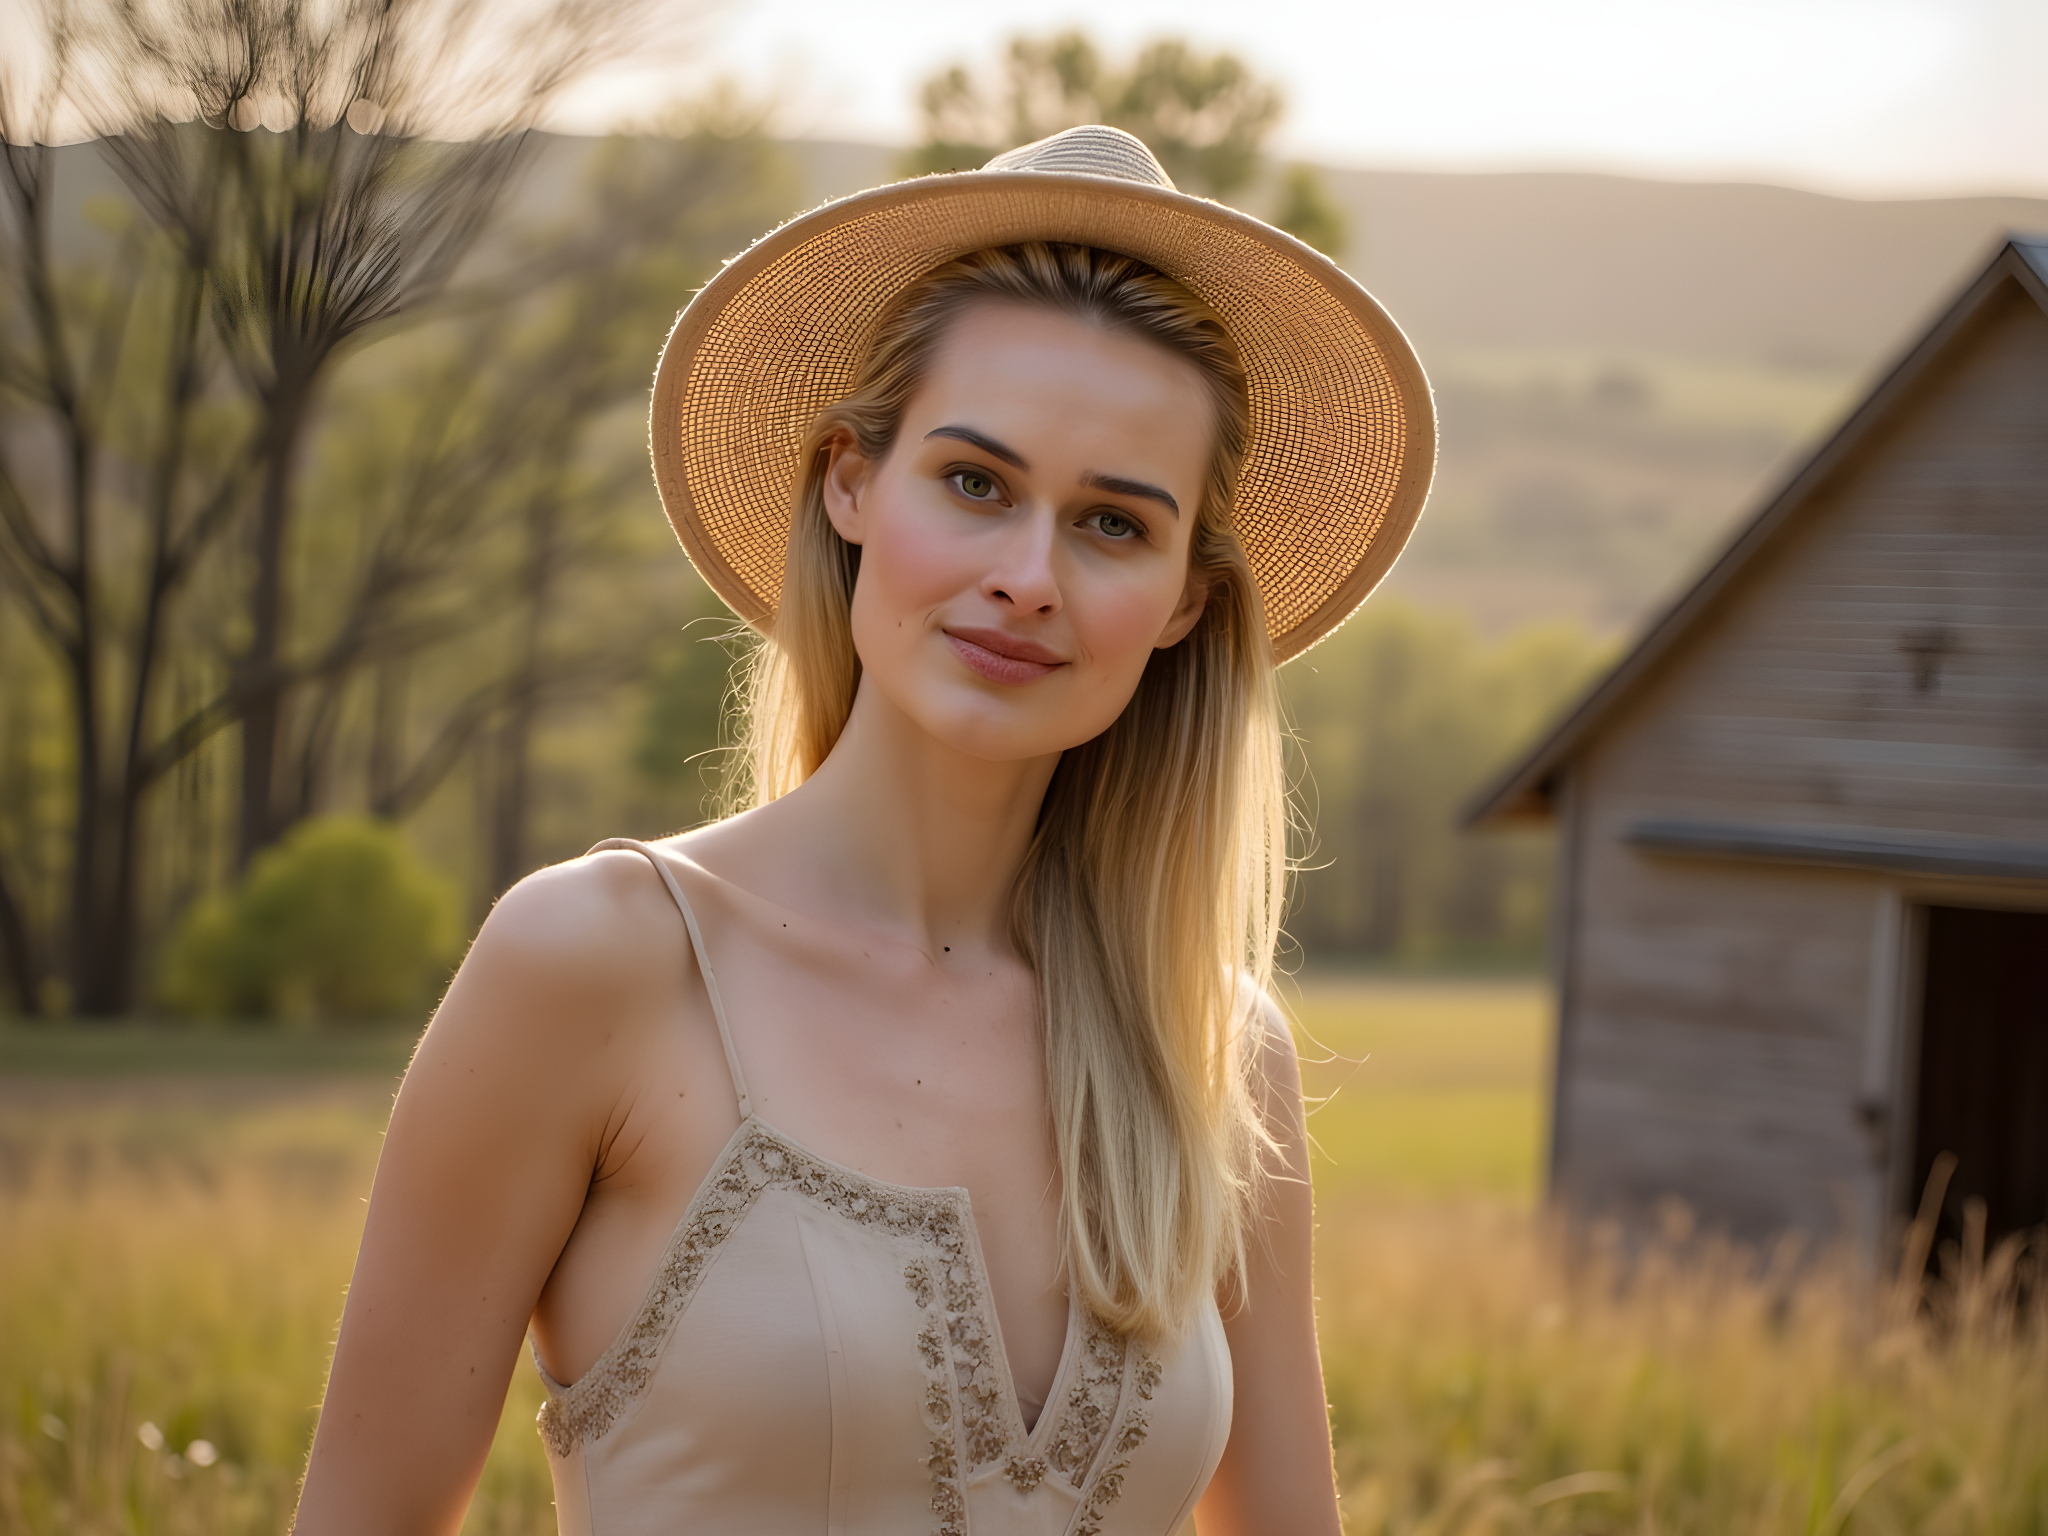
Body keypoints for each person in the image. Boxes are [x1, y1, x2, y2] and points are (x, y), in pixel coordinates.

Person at [293, 125, 1433, 1536]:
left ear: (1185, 602)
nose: (1029, 577)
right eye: (975, 485)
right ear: (849, 482)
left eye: (1114, 525)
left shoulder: (1212, 1047)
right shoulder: (599, 964)